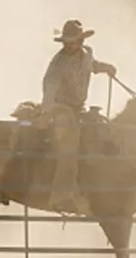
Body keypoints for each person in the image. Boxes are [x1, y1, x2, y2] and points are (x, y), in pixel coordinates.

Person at [41, 20, 117, 216]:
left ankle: (91, 187)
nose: (69, 45)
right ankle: (61, 196)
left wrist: (105, 67)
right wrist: (46, 113)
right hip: (60, 108)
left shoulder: (87, 54)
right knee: (69, 144)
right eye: (67, 41)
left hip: (78, 108)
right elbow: (49, 89)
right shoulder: (58, 63)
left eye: (73, 41)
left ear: (81, 41)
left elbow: (92, 65)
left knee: (99, 133)